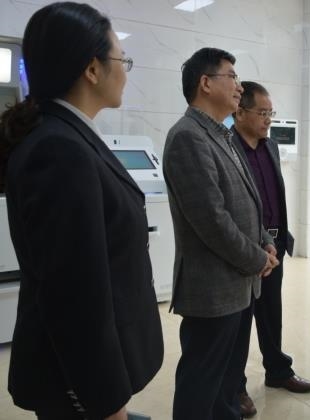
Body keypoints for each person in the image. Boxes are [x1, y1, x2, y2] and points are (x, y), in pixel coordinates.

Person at [0, 3, 163, 419]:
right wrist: (106, 403)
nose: (125, 72)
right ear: (92, 69)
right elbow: (74, 297)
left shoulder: (68, 135)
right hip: (73, 383)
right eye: (122, 60)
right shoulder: (60, 150)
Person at [163, 48, 279, 420]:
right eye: (232, 76)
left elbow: (247, 198)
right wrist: (257, 258)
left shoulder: (221, 135)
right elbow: (212, 220)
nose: (239, 86)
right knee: (201, 381)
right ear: (206, 83)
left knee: (225, 382)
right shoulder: (187, 137)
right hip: (212, 289)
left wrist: (265, 240)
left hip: (237, 285)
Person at [231, 81, 310, 417]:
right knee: (240, 321)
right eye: (262, 113)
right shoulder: (226, 148)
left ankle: (278, 370)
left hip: (274, 244)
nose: (268, 120)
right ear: (239, 113)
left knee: (271, 312)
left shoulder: (271, 146)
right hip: (243, 248)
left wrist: (276, 242)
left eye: (271, 113)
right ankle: (235, 386)